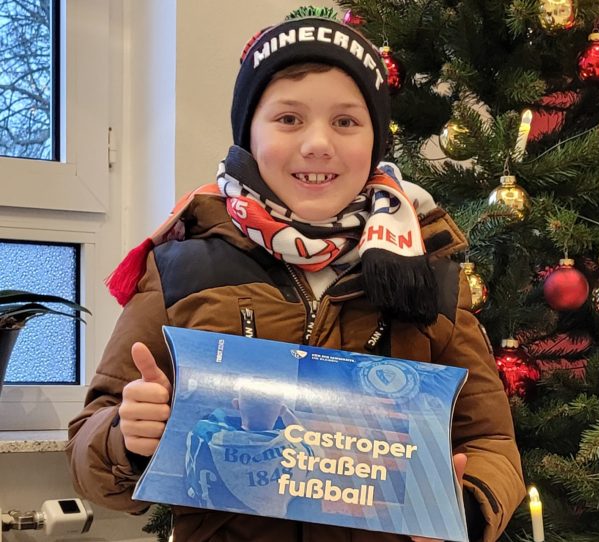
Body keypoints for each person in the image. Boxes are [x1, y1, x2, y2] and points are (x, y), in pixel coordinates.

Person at [66, 12, 525, 542]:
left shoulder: (426, 274)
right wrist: (126, 436)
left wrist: (463, 509)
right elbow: (88, 458)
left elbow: (491, 440)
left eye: (346, 121)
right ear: (249, 134)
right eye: (288, 119)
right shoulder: (181, 267)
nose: (317, 144)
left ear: (375, 138)